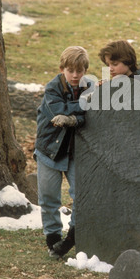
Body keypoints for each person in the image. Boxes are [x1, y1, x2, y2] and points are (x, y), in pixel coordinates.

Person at [34, 46, 92, 259]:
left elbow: (95, 116)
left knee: (81, 196)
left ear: (85, 70)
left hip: (75, 152)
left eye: (80, 70)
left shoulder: (90, 87)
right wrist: (84, 106)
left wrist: (77, 118)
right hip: (49, 150)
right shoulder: (52, 88)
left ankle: (71, 238)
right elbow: (59, 110)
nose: (75, 75)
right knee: (49, 197)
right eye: (71, 70)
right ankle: (52, 239)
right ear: (62, 69)